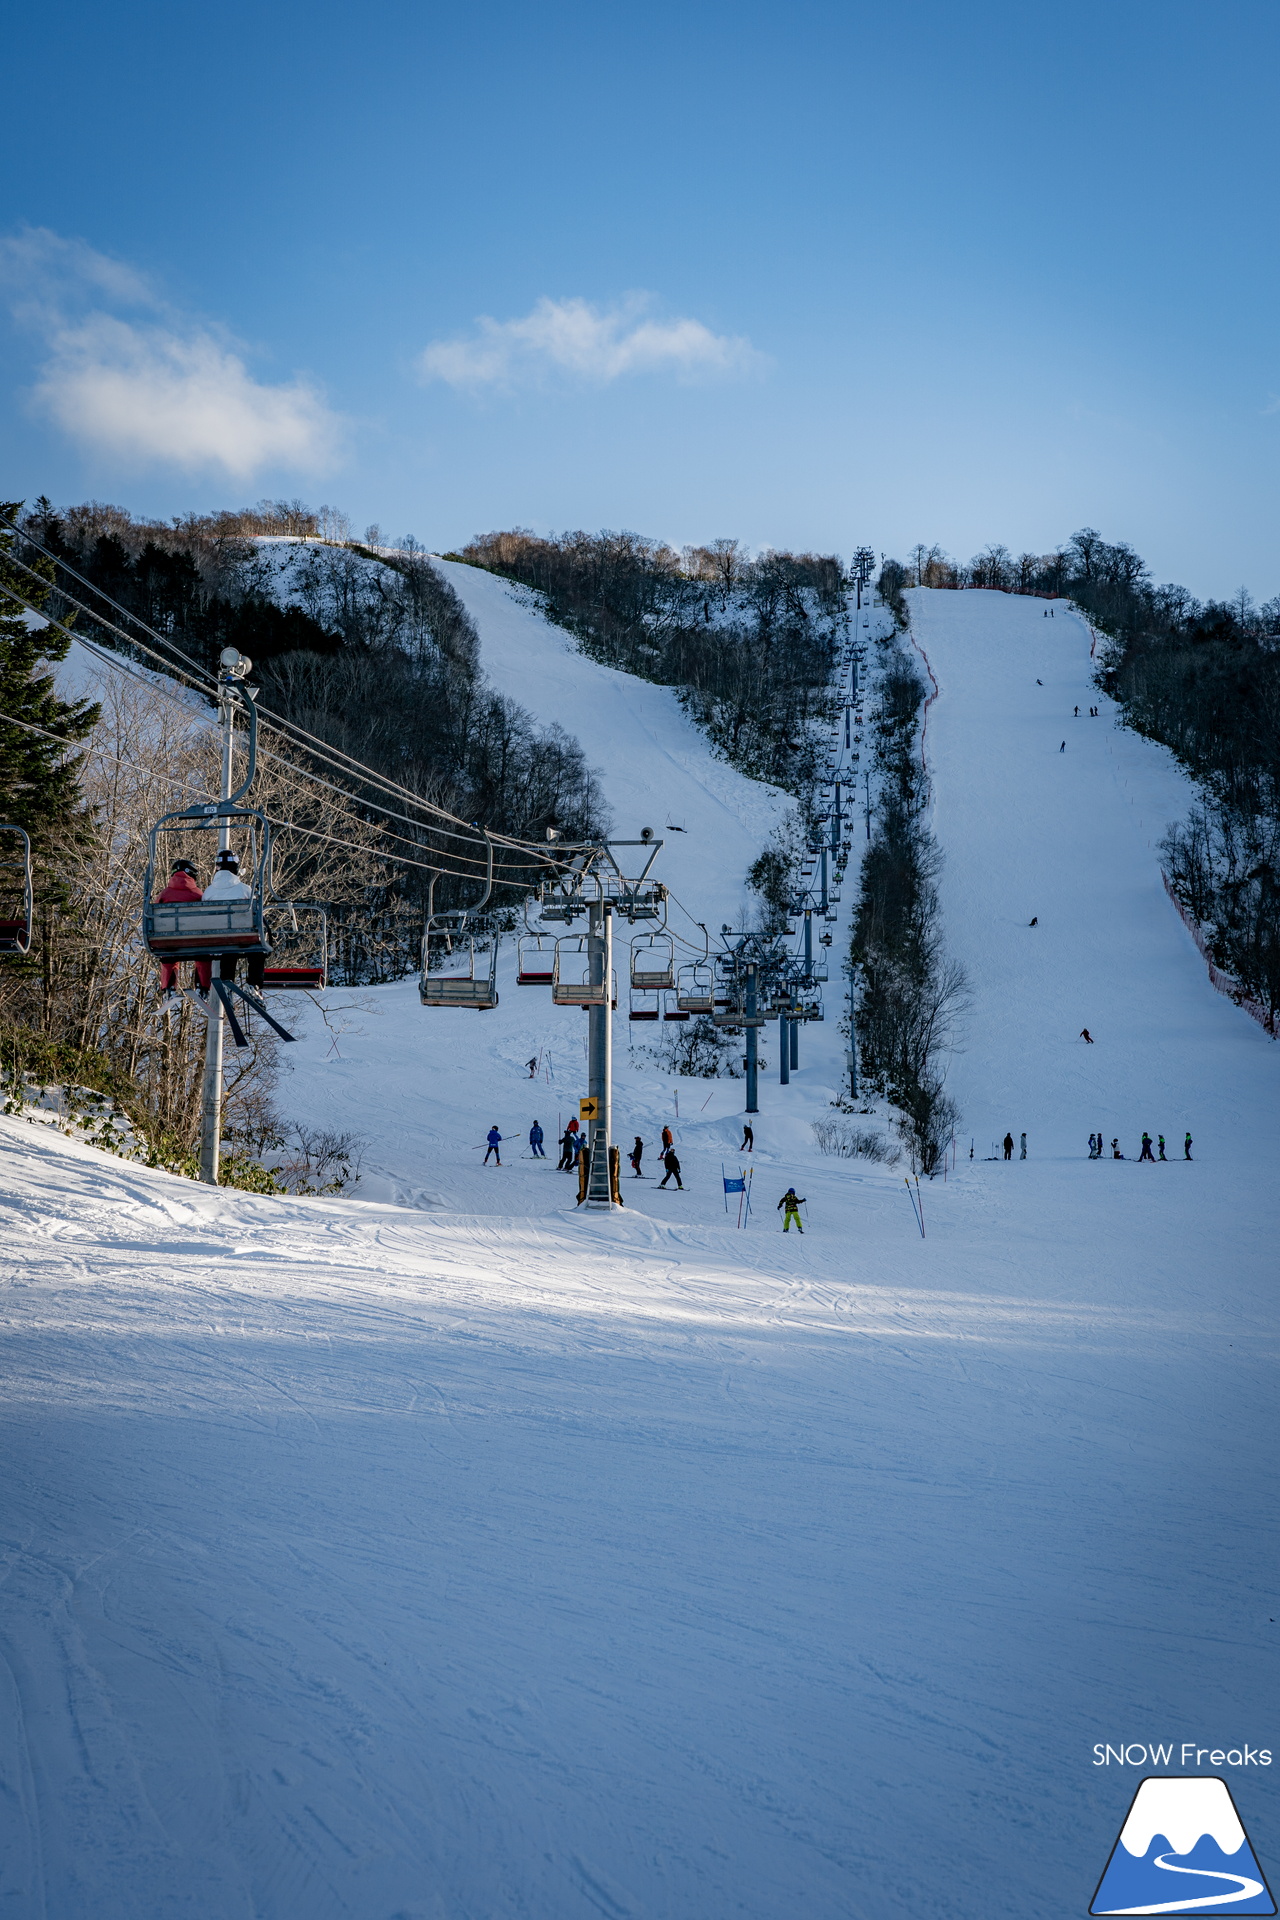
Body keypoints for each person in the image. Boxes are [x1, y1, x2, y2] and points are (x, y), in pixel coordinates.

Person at [203, 850, 266, 988]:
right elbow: (255, 912)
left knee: (228, 948)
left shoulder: (209, 892)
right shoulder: (244, 889)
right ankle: (254, 984)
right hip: (242, 936)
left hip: (215, 937)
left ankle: (227, 982)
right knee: (257, 949)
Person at [156, 860, 212, 1003]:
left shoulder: (164, 894)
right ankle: (203, 987)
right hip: (195, 941)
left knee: (169, 956)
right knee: (203, 954)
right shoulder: (198, 894)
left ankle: (169, 988)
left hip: (169, 940)